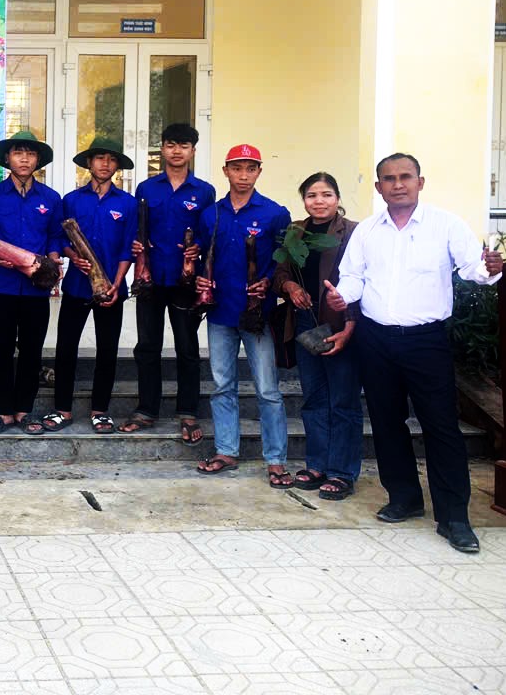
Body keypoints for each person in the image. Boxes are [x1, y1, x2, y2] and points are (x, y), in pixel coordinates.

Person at [326, 153, 503, 553]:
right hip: (375, 340)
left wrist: (490, 268)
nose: (398, 184)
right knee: (387, 422)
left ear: (420, 182)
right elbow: (352, 277)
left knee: (441, 426)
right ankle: (404, 498)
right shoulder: (367, 231)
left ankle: (454, 517)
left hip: (426, 341)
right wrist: (342, 297)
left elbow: (473, 268)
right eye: (389, 179)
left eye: (406, 176)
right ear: (378, 188)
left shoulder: (445, 225)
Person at [194, 143, 293, 487]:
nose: (243, 175)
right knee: (222, 385)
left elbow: (284, 261)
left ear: (259, 172)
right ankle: (226, 450)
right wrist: (200, 278)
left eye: (251, 168)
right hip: (220, 312)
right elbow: (201, 256)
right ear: (226, 171)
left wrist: (270, 281)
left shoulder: (274, 213)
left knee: (267, 389)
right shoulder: (211, 214)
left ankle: (276, 459)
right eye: (237, 168)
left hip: (257, 314)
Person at [272, 172, 361, 500]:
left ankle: (342, 472)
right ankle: (317, 464)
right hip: (305, 324)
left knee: (343, 400)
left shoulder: (353, 232)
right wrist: (290, 286)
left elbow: (363, 279)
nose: (319, 201)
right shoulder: (295, 232)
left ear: (337, 198)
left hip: (341, 325)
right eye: (312, 195)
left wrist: (350, 324)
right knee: (314, 398)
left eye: (326, 195)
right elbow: (280, 272)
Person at [126, 123, 215, 442]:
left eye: (184, 146)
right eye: (171, 145)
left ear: (193, 151)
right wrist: (137, 246)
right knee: (147, 346)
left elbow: (209, 232)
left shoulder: (204, 191)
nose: (177, 151)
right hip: (150, 279)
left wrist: (198, 246)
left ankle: (187, 411)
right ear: (162, 149)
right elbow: (137, 228)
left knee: (187, 347)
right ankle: (147, 409)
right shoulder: (146, 188)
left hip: (185, 281)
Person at [47, 139, 137, 434]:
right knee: (66, 347)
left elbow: (127, 248)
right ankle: (62, 409)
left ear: (117, 166)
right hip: (77, 285)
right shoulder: (72, 200)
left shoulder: (127, 203)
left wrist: (117, 283)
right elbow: (60, 238)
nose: (105, 164)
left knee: (107, 350)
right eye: (99, 158)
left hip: (111, 288)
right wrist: (73, 257)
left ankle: (100, 411)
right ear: (89, 163)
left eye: (111, 159)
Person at [0, 130, 63, 436]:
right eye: (18, 153)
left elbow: (54, 237)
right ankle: (3, 412)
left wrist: (53, 264)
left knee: (31, 350)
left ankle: (24, 411)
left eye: (30, 153)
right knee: (1, 349)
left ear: (38, 160)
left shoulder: (51, 198)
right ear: (7, 158)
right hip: (1, 284)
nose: (24, 159)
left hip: (36, 288)